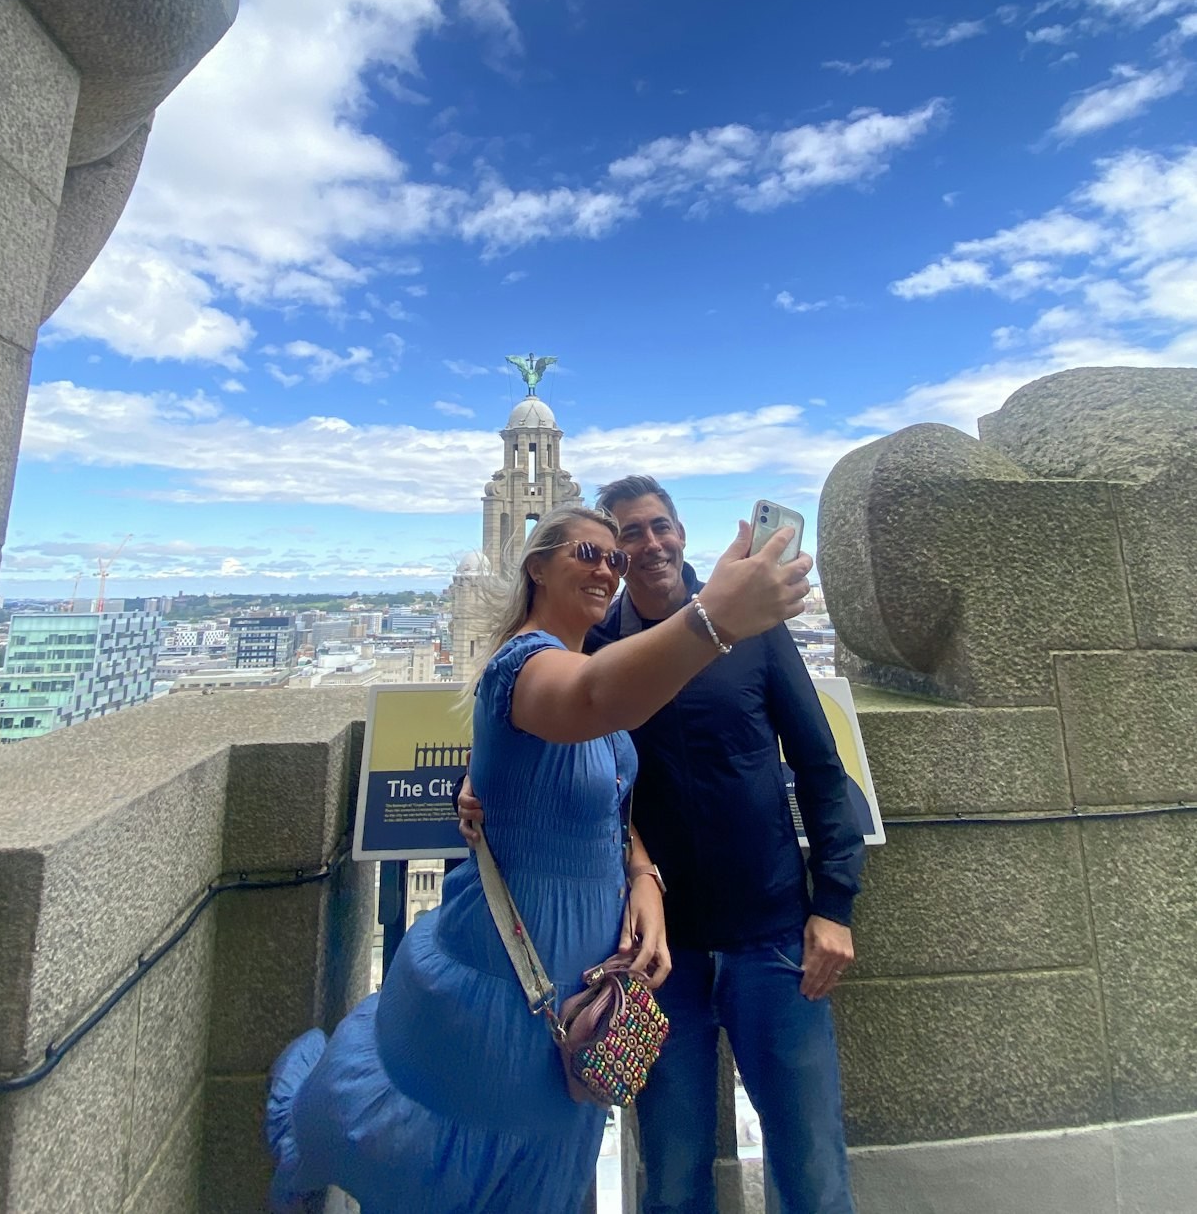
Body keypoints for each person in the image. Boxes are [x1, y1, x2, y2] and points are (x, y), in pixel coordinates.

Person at [264, 502, 812, 1214]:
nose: (608, 569)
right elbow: (588, 699)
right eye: (588, 553)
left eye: (613, 560)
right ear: (536, 566)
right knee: (488, 1155)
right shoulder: (524, 664)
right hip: (512, 971)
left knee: (553, 1155)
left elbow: (608, 794)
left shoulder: (579, 658)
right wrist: (714, 618)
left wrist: (642, 873)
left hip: (582, 973)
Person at [460, 477, 866, 1214]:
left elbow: (819, 766)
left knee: (811, 1164)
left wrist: (833, 902)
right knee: (672, 1174)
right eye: (621, 539)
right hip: (655, 961)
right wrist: (477, 777)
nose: (643, 548)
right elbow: (545, 727)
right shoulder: (599, 649)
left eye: (658, 528)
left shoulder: (753, 634)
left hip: (772, 939)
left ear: (682, 533)